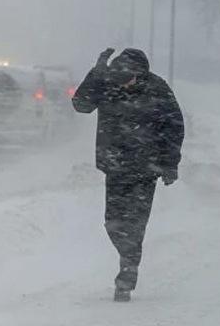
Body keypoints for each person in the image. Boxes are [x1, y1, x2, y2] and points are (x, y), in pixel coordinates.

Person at [72, 48, 185, 302]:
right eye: (121, 78)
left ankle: (128, 269)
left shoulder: (157, 89)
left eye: (129, 78)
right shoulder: (108, 83)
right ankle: (128, 257)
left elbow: (174, 127)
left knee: (135, 222)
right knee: (112, 221)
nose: (125, 83)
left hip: (147, 169)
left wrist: (170, 164)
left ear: (141, 73)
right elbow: (81, 105)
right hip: (116, 166)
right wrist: (96, 73)